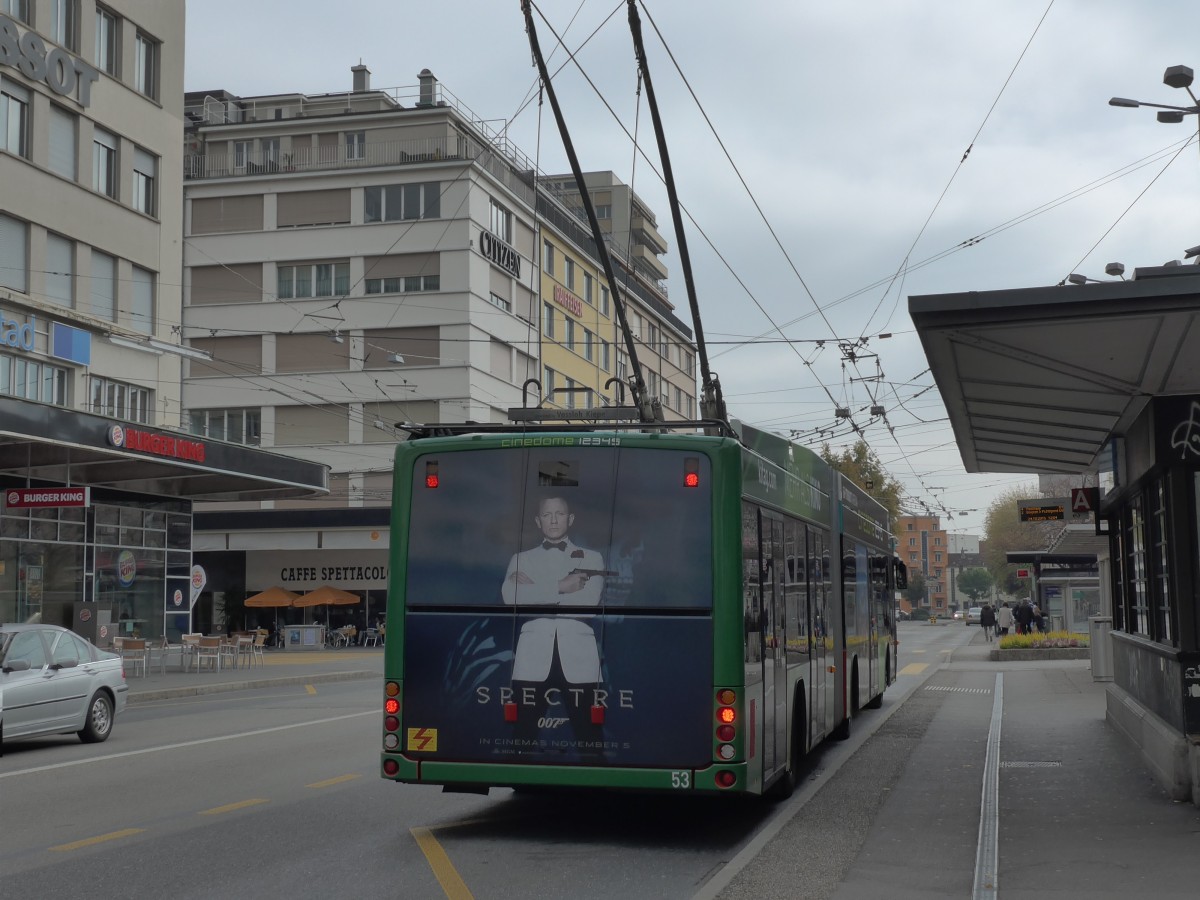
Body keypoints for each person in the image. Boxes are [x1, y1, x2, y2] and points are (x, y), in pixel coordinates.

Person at [501, 495, 611, 750]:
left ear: (570, 519)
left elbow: (587, 602)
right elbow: (511, 597)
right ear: (538, 521)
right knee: (522, 736)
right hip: (531, 660)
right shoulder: (520, 558)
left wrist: (534, 590)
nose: (553, 520)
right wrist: (562, 586)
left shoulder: (592, 558)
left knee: (590, 739)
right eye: (547, 515)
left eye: (559, 514)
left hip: (580, 660)